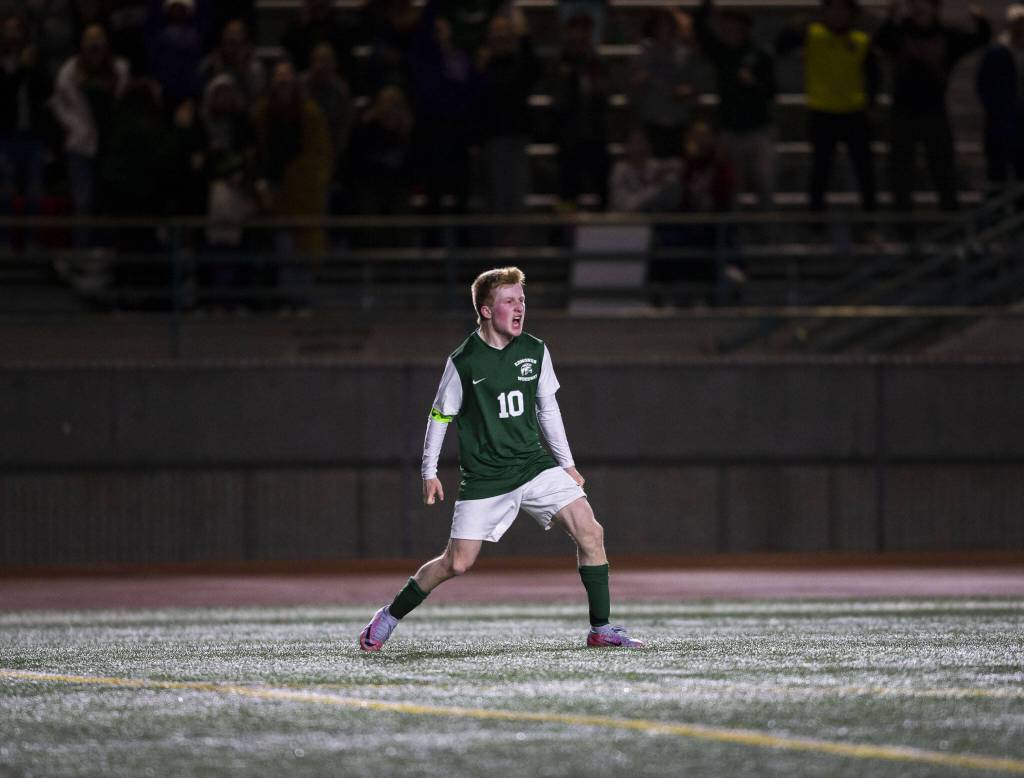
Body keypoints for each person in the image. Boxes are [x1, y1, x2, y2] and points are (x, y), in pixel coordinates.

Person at [359, 266, 644, 651]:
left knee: (591, 531)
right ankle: (389, 616)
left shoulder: (535, 350)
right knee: (456, 563)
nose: (520, 307)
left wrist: (567, 463)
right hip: (486, 477)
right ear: (487, 310)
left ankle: (602, 629)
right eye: (510, 300)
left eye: (522, 300)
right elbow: (440, 417)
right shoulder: (464, 361)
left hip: (533, 464)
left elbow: (548, 410)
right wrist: (429, 472)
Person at [874, 0, 990, 212]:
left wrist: (980, 20)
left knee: (943, 167)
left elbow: (979, 39)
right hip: (903, 112)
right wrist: (889, 17)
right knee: (900, 171)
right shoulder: (899, 33)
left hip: (934, 112)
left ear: (935, 7)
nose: (918, 7)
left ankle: (949, 221)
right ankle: (904, 226)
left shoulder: (947, 35)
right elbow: (880, 40)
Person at [776, 0, 879, 215]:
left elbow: (874, 76)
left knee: (865, 170)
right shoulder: (813, 34)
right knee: (820, 171)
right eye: (833, 9)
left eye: (843, 10)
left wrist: (871, 105)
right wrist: (792, 28)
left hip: (854, 112)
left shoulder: (860, 40)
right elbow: (780, 46)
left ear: (852, 14)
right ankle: (816, 225)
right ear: (825, 12)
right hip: (822, 112)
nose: (838, 14)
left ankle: (870, 223)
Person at [51, 23, 130, 248]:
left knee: (106, 204)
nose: (95, 44)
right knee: (83, 203)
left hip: (110, 146)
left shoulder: (120, 69)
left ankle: (104, 253)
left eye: (99, 39)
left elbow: (122, 104)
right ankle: (81, 253)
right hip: (80, 146)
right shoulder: (69, 72)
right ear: (82, 44)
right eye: (90, 39)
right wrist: (77, 129)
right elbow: (59, 105)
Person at [695, 0, 776, 210]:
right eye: (726, 27)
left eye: (735, 27)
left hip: (759, 129)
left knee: (765, 183)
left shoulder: (759, 53)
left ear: (745, 28)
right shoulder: (720, 53)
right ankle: (733, 236)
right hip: (731, 130)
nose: (730, 31)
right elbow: (700, 30)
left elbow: (773, 90)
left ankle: (769, 234)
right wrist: (706, 5)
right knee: (732, 188)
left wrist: (754, 84)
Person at [476, 10, 540, 221]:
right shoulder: (484, 65)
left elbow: (527, 76)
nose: (501, 36)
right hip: (492, 138)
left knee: (517, 198)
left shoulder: (519, 61)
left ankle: (518, 250)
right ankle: (496, 250)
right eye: (497, 32)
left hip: (517, 136)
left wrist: (523, 36)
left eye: (505, 31)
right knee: (497, 199)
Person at [0, 14, 52, 250]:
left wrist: (31, 67)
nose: (13, 36)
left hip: (33, 136)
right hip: (6, 136)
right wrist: (21, 69)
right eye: (8, 31)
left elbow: (47, 92)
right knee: (5, 192)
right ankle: (4, 242)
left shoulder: (36, 61)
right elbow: (6, 93)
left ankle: (32, 241)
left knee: (34, 193)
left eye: (17, 31)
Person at [553, 13, 610, 210]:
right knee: (567, 190)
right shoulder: (563, 61)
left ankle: (605, 233)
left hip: (595, 134)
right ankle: (562, 236)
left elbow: (604, 95)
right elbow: (559, 101)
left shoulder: (597, 61)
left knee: (603, 188)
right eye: (576, 30)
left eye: (584, 31)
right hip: (570, 137)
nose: (580, 36)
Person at [630, 9, 699, 159]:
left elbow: (694, 85)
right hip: (652, 121)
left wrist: (688, 91)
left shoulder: (684, 55)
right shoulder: (643, 55)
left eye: (668, 26)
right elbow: (632, 90)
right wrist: (639, 82)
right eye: (660, 27)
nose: (664, 31)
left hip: (678, 121)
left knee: (678, 169)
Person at [976, 4, 1024, 193]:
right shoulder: (996, 53)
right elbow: (984, 85)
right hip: (1000, 124)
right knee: (997, 176)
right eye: (1017, 23)